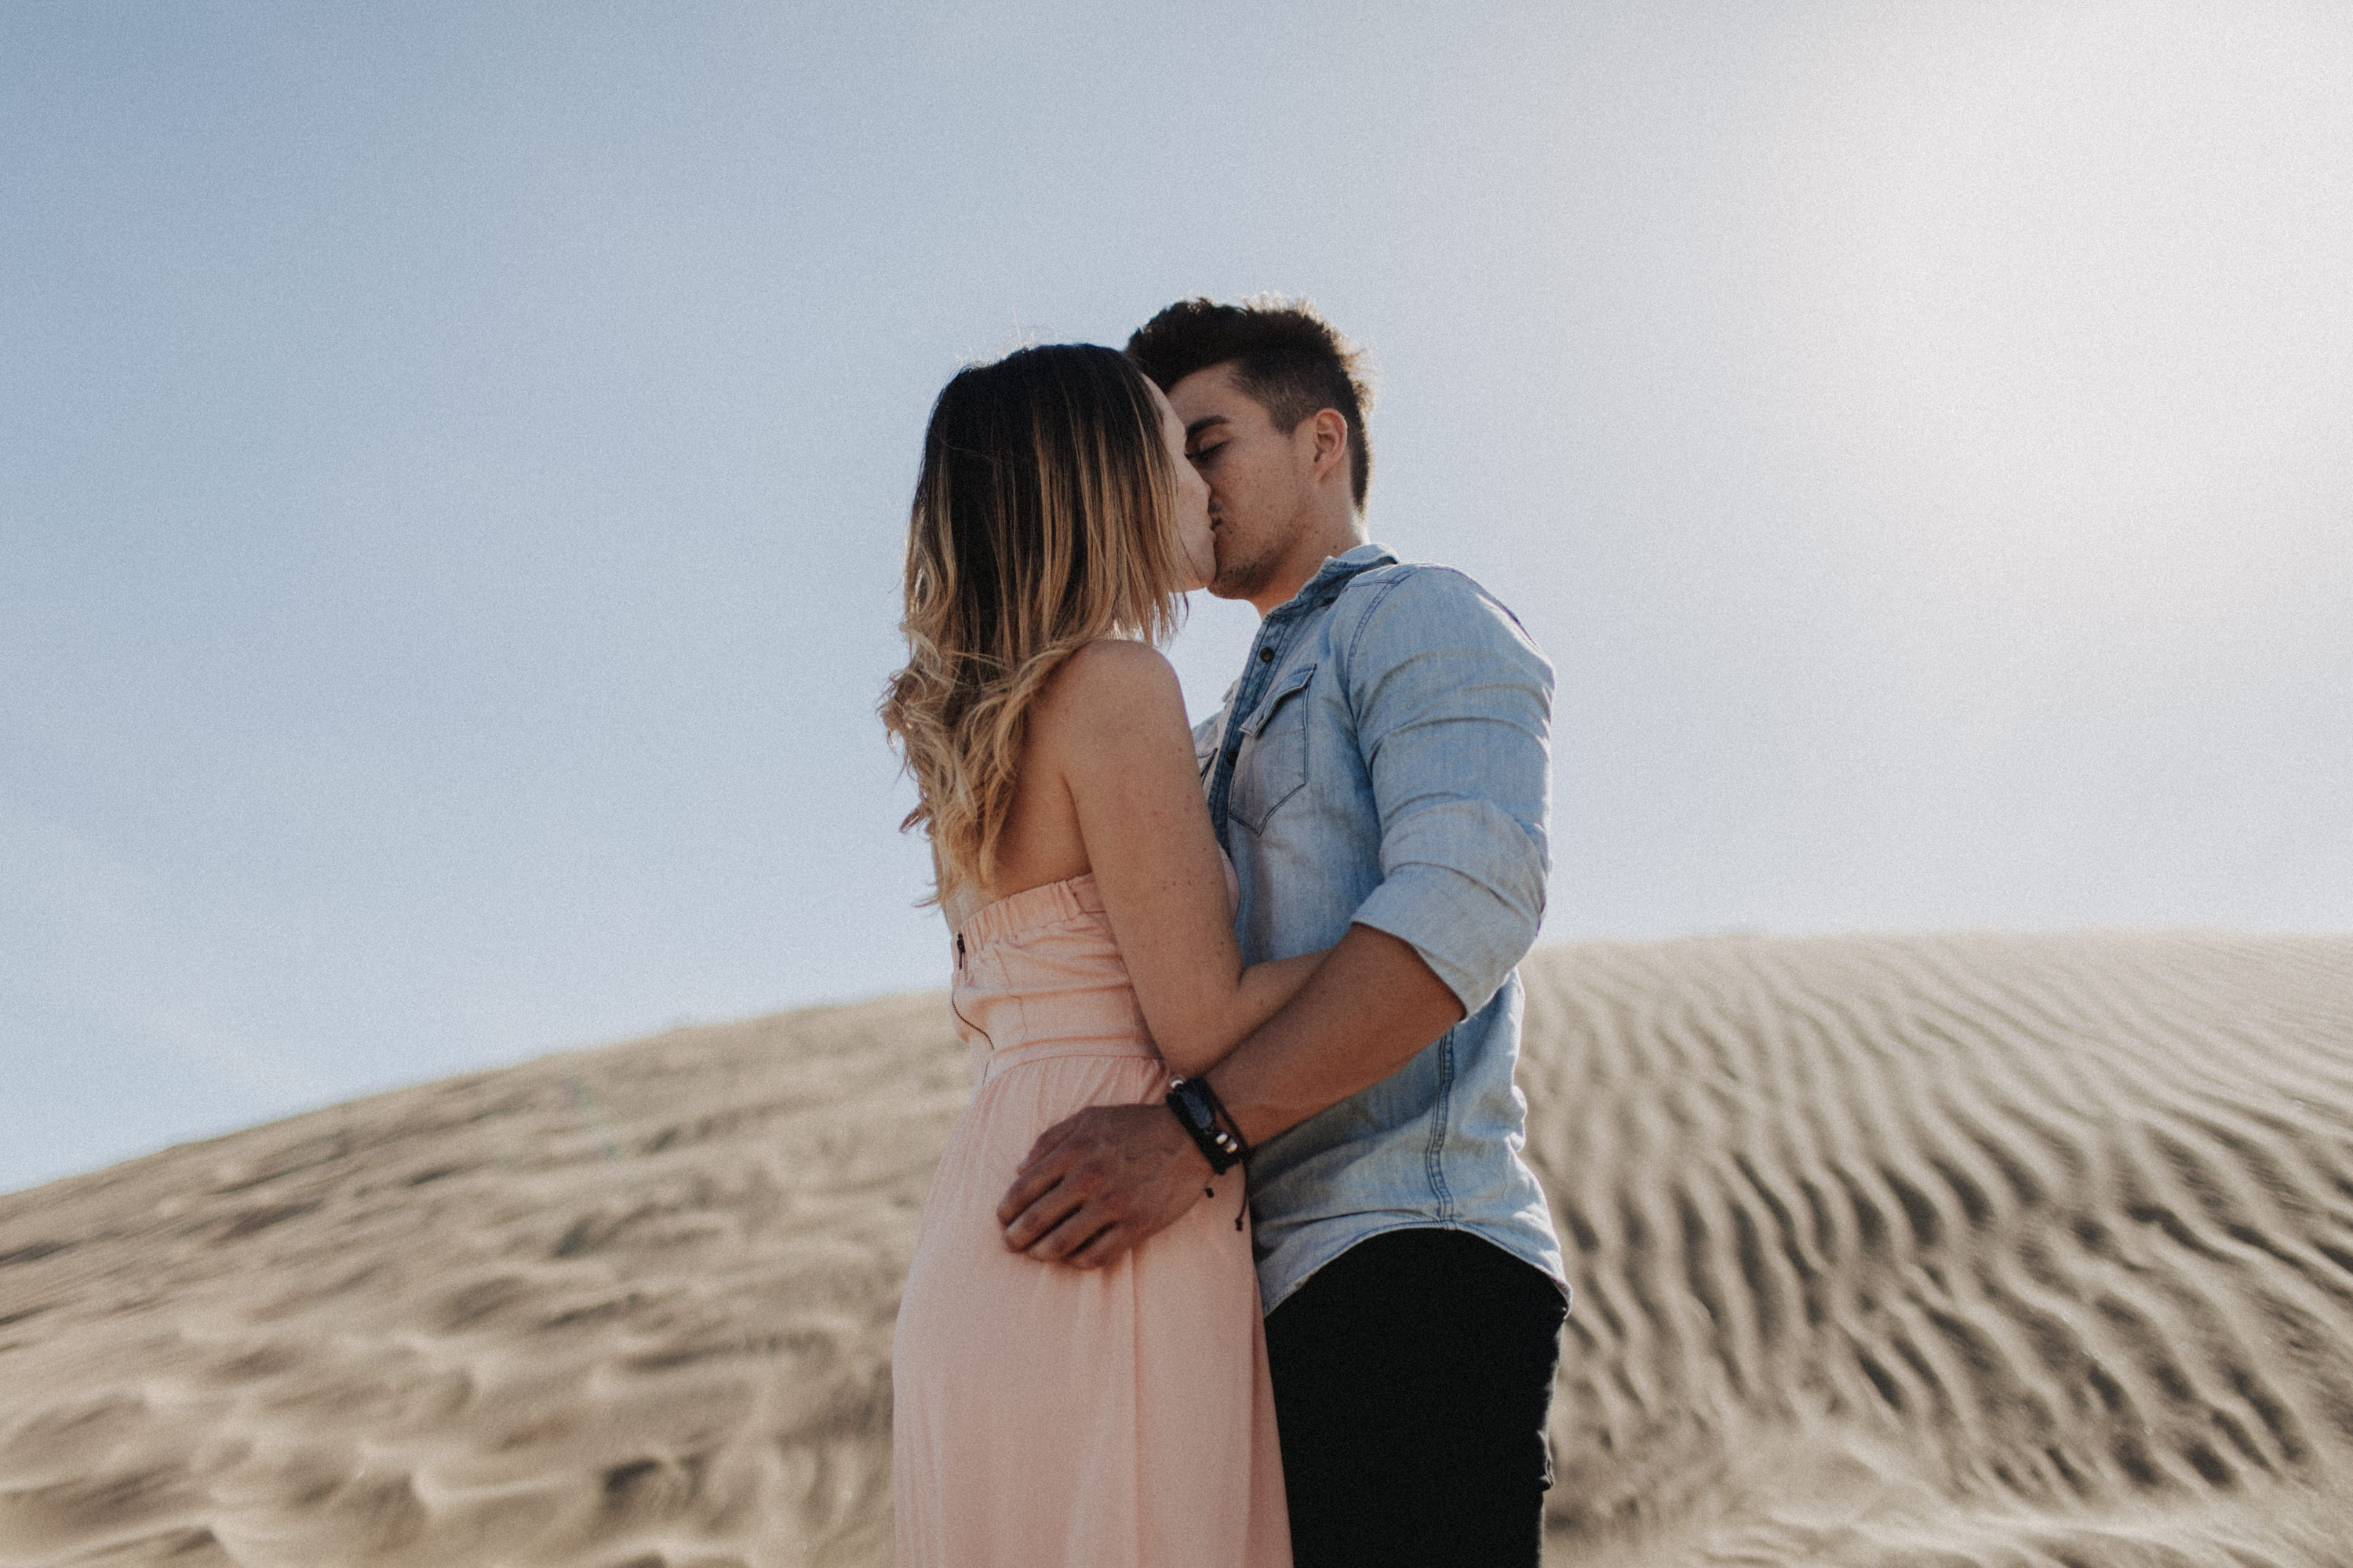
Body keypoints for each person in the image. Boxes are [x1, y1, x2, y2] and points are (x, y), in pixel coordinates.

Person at [994, 297, 1571, 1567]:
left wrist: (1195, 1133)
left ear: (1322, 443)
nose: (1182, 487)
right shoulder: (1190, 734)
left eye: (1208, 445)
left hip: (1404, 1263)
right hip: (1236, 1301)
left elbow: (1464, 909)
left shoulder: (1420, 616)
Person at [883, 343, 1312, 1568]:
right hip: (1108, 1216)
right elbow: (1206, 1023)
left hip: (991, 1224)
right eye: (1177, 456)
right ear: (1111, 486)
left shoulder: (979, 733)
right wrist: (1411, 951)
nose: (1202, 486)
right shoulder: (1117, 686)